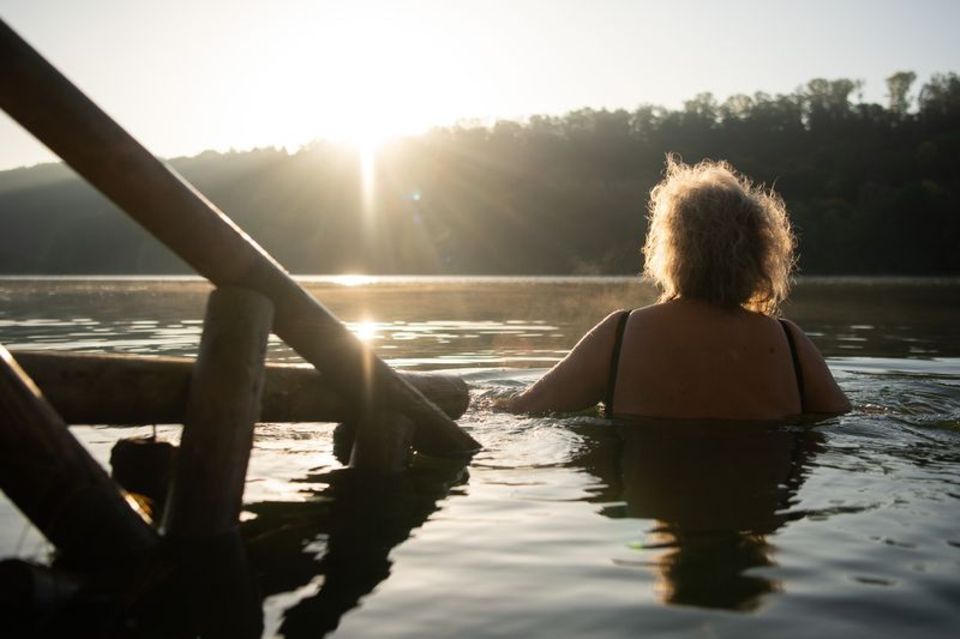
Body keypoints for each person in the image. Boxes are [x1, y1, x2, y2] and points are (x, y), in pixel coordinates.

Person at [502, 157, 850, 419]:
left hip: (653, 491)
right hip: (762, 508)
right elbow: (848, 421)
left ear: (671, 250)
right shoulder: (790, 345)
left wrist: (479, 399)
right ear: (761, 254)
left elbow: (520, 411)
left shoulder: (621, 334)